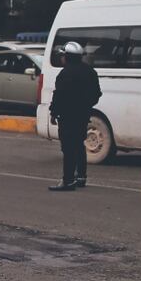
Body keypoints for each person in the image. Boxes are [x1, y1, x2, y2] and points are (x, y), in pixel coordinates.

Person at [48, 41, 101, 192]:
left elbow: (59, 97)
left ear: (68, 57)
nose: (61, 58)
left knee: (68, 148)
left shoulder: (65, 74)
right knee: (79, 145)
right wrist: (84, 106)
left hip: (67, 116)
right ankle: (81, 177)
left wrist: (53, 113)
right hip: (83, 115)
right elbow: (96, 94)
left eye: (63, 56)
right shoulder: (90, 71)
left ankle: (68, 180)